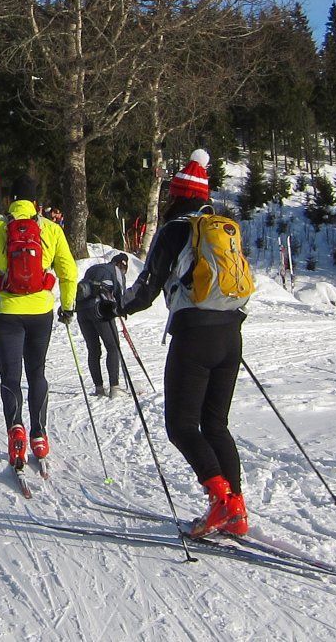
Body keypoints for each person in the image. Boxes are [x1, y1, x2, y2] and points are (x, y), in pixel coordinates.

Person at [110, 147, 249, 538]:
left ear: (180, 194)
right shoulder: (222, 226)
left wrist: (116, 308)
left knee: (182, 426)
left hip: (194, 335)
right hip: (230, 333)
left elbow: (147, 287)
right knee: (215, 425)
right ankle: (235, 509)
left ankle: (220, 501)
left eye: (172, 193)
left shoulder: (174, 229)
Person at [0, 175, 78, 469]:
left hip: (5, 313)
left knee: (10, 376)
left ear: (11, 200)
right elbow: (69, 271)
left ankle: (16, 432)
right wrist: (67, 307)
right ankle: (39, 435)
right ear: (36, 203)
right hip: (41, 312)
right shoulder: (49, 228)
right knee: (37, 372)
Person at [74, 253, 129, 398]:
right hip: (100, 310)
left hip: (81, 310)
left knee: (93, 349)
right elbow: (120, 294)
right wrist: (122, 309)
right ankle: (114, 387)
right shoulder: (116, 271)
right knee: (112, 346)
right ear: (122, 264)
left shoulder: (94, 268)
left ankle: (99, 388)